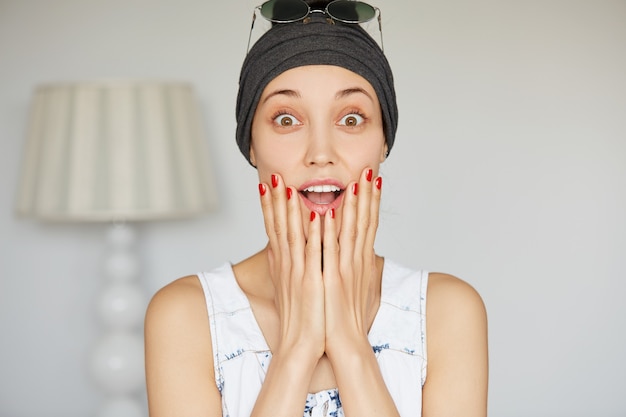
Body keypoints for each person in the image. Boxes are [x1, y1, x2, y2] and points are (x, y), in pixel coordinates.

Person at [144, 0, 488, 416]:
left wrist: (349, 343)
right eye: (287, 119)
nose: (321, 153)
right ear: (251, 143)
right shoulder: (185, 315)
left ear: (383, 142)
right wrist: (297, 346)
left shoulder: (447, 312)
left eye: (351, 118)